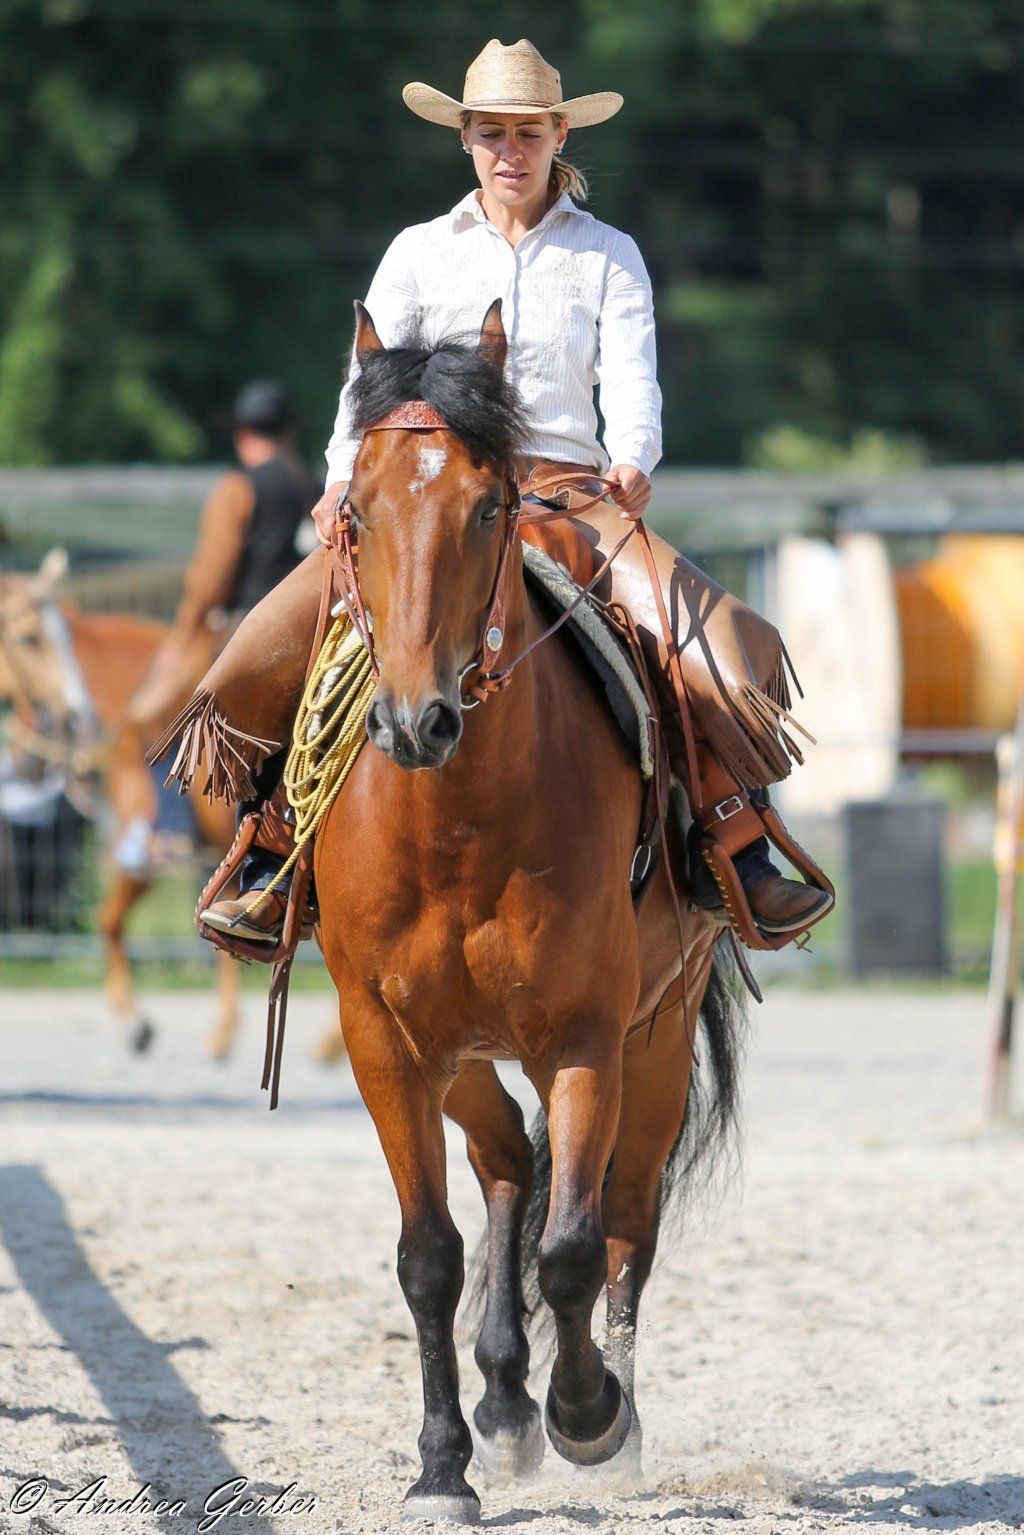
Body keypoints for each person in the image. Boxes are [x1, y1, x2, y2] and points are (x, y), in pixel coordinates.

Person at [189, 39, 832, 946]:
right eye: (490, 132)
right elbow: (363, 383)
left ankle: (735, 836)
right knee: (285, 635)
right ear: (465, 139)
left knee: (702, 646)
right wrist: (341, 481)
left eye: (527, 132)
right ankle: (275, 845)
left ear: (559, 133)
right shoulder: (417, 254)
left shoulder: (609, 256)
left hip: (573, 495)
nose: (509, 151)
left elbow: (634, 381)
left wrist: (636, 454)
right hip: (431, 501)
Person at [118, 380, 320, 873]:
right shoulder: (317, 487)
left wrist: (181, 640)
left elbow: (210, 581)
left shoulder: (239, 488)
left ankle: (174, 828)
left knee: (154, 713)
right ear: (288, 432)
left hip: (244, 634)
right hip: (313, 632)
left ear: (242, 436)